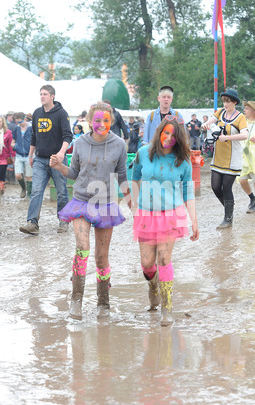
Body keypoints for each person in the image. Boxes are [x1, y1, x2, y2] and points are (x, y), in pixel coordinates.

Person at [50, 102, 132, 321]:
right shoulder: (80, 143)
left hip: (105, 203)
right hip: (82, 202)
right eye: (97, 120)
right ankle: (76, 299)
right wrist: (60, 167)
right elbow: (75, 172)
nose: (101, 124)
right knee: (83, 247)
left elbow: (123, 177)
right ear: (89, 121)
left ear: (111, 121)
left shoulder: (118, 145)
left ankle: (103, 303)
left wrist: (131, 200)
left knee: (101, 257)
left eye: (106, 120)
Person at [132, 115, 199, 326]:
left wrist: (193, 220)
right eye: (166, 132)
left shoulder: (183, 160)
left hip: (171, 215)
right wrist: (133, 203)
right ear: (160, 132)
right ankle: (153, 286)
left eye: (173, 135)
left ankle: (167, 307)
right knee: (147, 263)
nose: (169, 138)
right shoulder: (144, 153)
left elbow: (188, 191)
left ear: (179, 140)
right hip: (146, 215)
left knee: (163, 259)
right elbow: (134, 178)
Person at [19, 84, 73, 235]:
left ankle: (63, 220)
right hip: (40, 160)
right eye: (40, 94)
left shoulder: (61, 113)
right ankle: (32, 223)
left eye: (45, 94)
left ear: (52, 96)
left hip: (57, 159)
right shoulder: (37, 113)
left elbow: (68, 136)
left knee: (62, 191)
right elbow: (34, 136)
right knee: (36, 190)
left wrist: (62, 153)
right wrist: (31, 155)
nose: (42, 96)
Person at [202, 88, 248, 229]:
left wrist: (226, 137)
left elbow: (245, 135)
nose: (225, 104)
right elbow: (212, 120)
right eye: (224, 101)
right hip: (218, 158)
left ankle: (228, 218)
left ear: (234, 102)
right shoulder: (220, 112)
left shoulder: (240, 117)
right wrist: (206, 124)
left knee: (226, 188)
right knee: (216, 187)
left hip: (232, 159)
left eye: (228, 101)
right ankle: (229, 209)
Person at [12, 112, 33, 198]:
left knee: (29, 176)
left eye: (20, 122)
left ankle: (29, 194)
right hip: (19, 155)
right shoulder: (16, 129)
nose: (19, 124)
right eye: (17, 122)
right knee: (17, 174)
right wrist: (14, 145)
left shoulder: (31, 128)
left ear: (24, 119)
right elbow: (13, 140)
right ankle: (23, 188)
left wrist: (32, 153)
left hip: (29, 155)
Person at [0, 115, 15, 195]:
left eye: (0, 122)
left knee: (1, 174)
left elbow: (10, 146)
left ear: (3, 122)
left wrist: (13, 156)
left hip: (4, 158)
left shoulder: (8, 132)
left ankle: (1, 189)